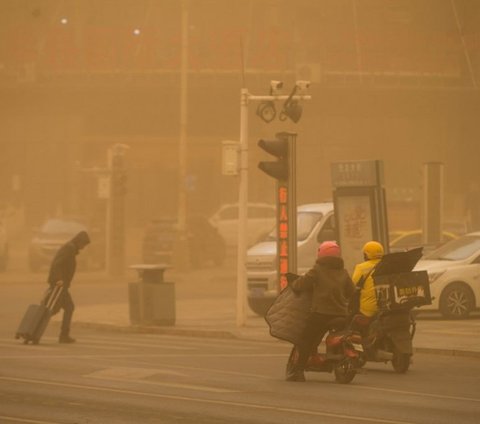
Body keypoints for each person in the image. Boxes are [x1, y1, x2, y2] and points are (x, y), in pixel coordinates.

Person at [286, 241, 355, 382]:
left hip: (320, 315)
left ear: (321, 253)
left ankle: (298, 371)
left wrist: (293, 284)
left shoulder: (317, 270)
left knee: (305, 340)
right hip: (341, 314)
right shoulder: (344, 272)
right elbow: (351, 291)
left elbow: (301, 284)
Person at [47, 230, 90, 343]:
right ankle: (63, 335)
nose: (83, 248)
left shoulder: (70, 248)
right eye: (83, 244)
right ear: (79, 241)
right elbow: (57, 263)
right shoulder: (69, 248)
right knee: (64, 308)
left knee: (54, 309)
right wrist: (59, 279)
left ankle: (36, 325)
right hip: (59, 285)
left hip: (61, 284)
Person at [350, 241, 384, 324]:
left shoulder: (361, 267)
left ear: (366, 254)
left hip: (368, 310)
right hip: (385, 307)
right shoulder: (387, 264)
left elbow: (352, 286)